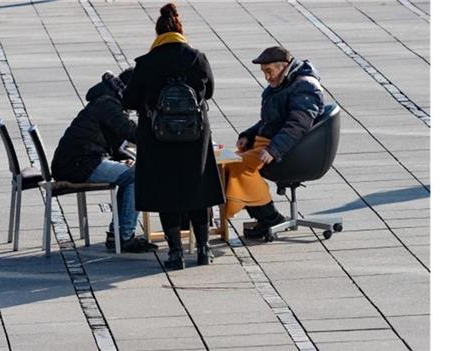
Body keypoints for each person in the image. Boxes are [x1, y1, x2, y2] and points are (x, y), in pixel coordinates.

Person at [121, 3, 222, 270]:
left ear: (157, 34)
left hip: (158, 138)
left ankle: (175, 252)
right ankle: (203, 249)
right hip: (194, 137)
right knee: (196, 189)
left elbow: (129, 99)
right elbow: (209, 92)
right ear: (180, 29)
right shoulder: (197, 58)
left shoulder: (146, 63)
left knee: (167, 192)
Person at [224, 46, 325, 238]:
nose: (267, 77)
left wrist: (274, 149)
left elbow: (298, 123)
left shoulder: (305, 85)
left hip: (288, 150)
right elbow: (269, 121)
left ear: (283, 66)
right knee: (227, 163)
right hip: (269, 143)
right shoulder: (283, 83)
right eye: (264, 72)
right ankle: (263, 219)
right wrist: (248, 135)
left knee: (240, 167)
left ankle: (270, 218)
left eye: (269, 71)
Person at [51, 69, 156, 253]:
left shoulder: (108, 100)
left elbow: (115, 142)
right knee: (138, 176)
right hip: (79, 164)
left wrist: (125, 157)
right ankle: (124, 237)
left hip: (78, 161)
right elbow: (131, 132)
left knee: (129, 176)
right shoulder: (108, 104)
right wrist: (157, 133)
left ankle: (118, 234)